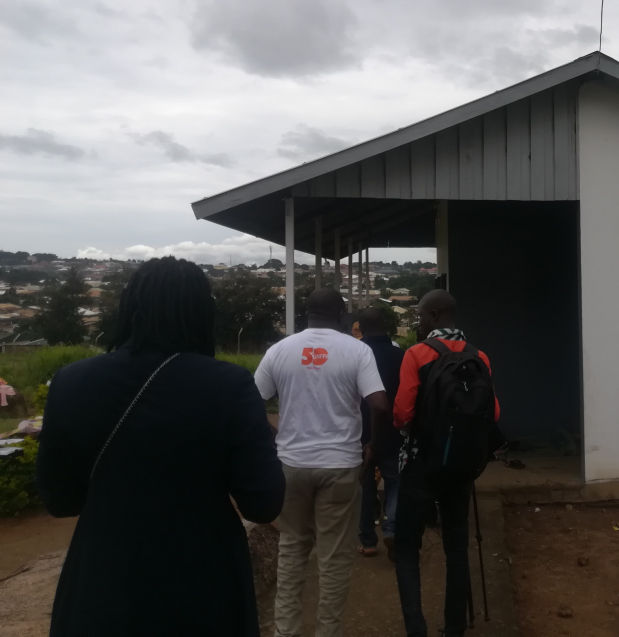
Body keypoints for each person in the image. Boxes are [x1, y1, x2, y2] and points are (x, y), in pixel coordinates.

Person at [35, 256, 285, 637]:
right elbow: (263, 503)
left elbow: (60, 501)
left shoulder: (71, 382)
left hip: (101, 583)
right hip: (203, 583)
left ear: (130, 308)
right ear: (203, 314)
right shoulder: (228, 385)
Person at [255, 288, 390, 637]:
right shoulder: (356, 350)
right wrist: (372, 444)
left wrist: (275, 439)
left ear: (306, 315)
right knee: (334, 559)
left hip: (292, 464)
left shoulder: (280, 350)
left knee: (292, 548)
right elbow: (378, 403)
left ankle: (286, 631)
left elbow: (252, 400)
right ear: (343, 316)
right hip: (341, 465)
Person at [393, 289, 500, 637]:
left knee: (408, 546)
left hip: (421, 464)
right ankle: (454, 628)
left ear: (436, 315)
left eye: (422, 315)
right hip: (461, 466)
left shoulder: (417, 354)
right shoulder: (479, 356)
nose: (419, 322)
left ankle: (416, 629)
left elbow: (402, 414)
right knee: (457, 545)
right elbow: (494, 413)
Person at [356, 307, 405, 559]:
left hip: (359, 434)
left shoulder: (353, 354)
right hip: (393, 432)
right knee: (395, 482)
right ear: (385, 327)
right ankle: (392, 529)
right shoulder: (401, 356)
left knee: (364, 486)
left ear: (361, 328)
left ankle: (367, 541)